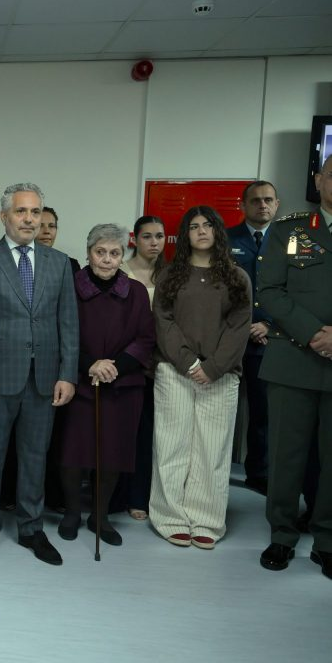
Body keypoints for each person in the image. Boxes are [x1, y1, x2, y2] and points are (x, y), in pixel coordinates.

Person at [0, 182, 78, 567]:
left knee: (34, 456)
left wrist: (67, 374)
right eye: (21, 211)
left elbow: (69, 324)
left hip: (43, 378)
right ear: (4, 217)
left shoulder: (58, 262)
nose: (29, 219)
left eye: (35, 212)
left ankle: (31, 528)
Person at [150, 206, 251, 550]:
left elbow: (239, 327)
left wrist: (213, 367)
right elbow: (163, 321)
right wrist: (189, 363)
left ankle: (206, 519)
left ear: (218, 231)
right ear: (186, 235)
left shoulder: (237, 277)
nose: (202, 231)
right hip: (174, 370)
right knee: (172, 445)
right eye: (194, 226)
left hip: (220, 375)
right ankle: (170, 517)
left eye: (208, 225)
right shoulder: (170, 275)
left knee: (212, 449)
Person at [56, 224, 155, 546]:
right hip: (79, 381)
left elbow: (146, 338)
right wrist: (90, 364)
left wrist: (115, 366)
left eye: (114, 253)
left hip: (122, 384)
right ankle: (72, 512)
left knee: (113, 454)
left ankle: (100, 516)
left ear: (122, 256)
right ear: (88, 254)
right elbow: (59, 333)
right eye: (100, 252)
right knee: (73, 452)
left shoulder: (135, 291)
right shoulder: (70, 286)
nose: (107, 259)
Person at [258, 154, 332, 579]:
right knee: (286, 455)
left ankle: (327, 540)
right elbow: (270, 289)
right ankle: (282, 535)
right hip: (293, 359)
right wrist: (314, 333)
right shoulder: (291, 230)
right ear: (318, 180)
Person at [114, 215, 166, 521]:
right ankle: (115, 494)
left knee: (150, 433)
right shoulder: (121, 270)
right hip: (127, 362)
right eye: (147, 236)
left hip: (161, 363)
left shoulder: (171, 274)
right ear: (135, 239)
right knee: (123, 432)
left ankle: (140, 496)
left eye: (159, 236)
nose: (154, 242)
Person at [228, 181, 278, 495]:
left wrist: (270, 325)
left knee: (263, 412)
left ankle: (259, 473)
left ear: (277, 204)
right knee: (220, 410)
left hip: (266, 342)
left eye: (268, 200)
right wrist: (241, 323)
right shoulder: (226, 239)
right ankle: (214, 471)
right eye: (256, 200)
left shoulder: (289, 239)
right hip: (229, 340)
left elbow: (294, 290)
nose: (263, 205)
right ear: (243, 205)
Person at [36, 206, 80, 273]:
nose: (47, 231)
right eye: (40, 226)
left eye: (51, 226)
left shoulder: (70, 265)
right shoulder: (20, 262)